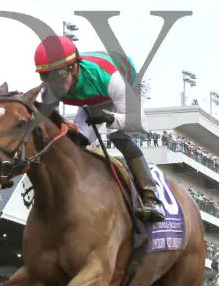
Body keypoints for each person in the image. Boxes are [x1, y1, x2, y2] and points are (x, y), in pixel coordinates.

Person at [34, 35, 164, 223]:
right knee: (76, 141)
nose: (54, 84)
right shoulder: (51, 89)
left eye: (59, 76)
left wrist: (110, 118)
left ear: (74, 67)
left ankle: (150, 197)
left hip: (124, 79)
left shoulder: (108, 78)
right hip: (94, 96)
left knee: (119, 137)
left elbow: (141, 123)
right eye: (46, 77)